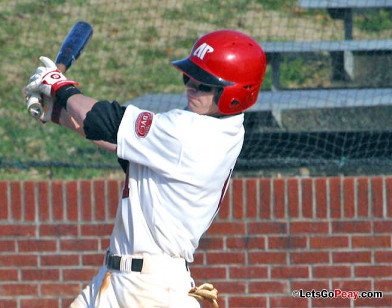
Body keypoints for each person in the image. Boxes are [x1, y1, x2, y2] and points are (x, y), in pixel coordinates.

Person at [25, 29, 266, 308]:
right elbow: (117, 142)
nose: (190, 86)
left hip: (152, 291)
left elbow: (107, 122)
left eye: (203, 85)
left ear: (235, 93)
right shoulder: (218, 127)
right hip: (117, 280)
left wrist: (59, 86)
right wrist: (54, 111)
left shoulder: (192, 134)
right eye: (189, 77)